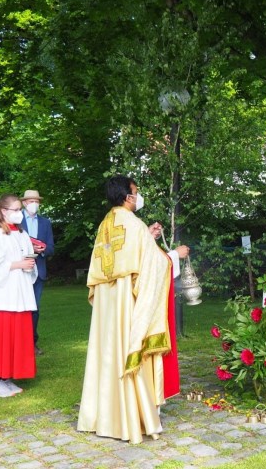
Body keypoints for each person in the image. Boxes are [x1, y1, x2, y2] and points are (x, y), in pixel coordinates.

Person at [77, 175, 189, 443]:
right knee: (128, 346)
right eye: (136, 192)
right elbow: (152, 266)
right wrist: (176, 255)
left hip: (108, 302)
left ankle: (103, 414)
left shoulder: (107, 223)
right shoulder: (133, 224)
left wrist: (148, 237)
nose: (138, 196)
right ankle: (131, 415)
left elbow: (125, 254)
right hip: (126, 301)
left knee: (107, 353)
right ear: (127, 196)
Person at [0, 194, 38, 397]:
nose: (19, 213)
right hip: (2, 296)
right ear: (4, 211)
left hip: (19, 292)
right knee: (1, 338)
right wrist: (18, 264)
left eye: (19, 209)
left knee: (16, 337)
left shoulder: (21, 233)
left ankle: (8, 377)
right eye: (15, 210)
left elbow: (25, 257)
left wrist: (29, 261)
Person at [17, 190, 54, 356]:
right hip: (20, 271)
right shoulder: (17, 221)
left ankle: (32, 343)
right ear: (24, 203)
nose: (34, 204)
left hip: (38, 272)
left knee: (35, 309)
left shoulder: (46, 223)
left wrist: (43, 250)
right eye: (31, 201)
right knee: (20, 309)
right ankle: (19, 343)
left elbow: (51, 247)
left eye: (37, 201)